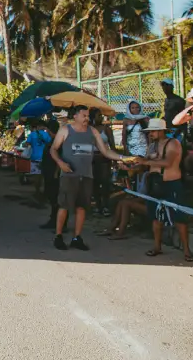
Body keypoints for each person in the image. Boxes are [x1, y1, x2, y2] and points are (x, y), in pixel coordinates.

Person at [49, 105, 137, 251]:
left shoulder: (92, 131)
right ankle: (58, 236)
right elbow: (53, 149)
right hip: (69, 174)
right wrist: (60, 163)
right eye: (83, 115)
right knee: (64, 205)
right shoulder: (65, 130)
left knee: (82, 207)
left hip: (86, 175)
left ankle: (77, 237)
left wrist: (124, 158)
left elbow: (105, 151)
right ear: (75, 116)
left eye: (88, 115)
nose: (87, 118)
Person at [135, 118, 193, 261]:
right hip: (155, 185)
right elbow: (146, 165)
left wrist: (144, 161)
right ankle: (157, 246)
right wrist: (131, 165)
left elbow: (168, 162)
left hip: (171, 184)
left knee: (179, 218)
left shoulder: (173, 143)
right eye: (149, 131)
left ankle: (187, 250)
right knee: (155, 218)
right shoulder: (151, 147)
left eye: (154, 131)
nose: (151, 134)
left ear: (162, 131)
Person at [39, 120, 66, 231]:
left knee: (56, 199)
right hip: (48, 172)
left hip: (54, 173)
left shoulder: (59, 142)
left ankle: (61, 223)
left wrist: (56, 172)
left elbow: (61, 158)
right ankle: (53, 220)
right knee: (51, 197)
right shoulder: (51, 141)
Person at [90, 108, 116, 217]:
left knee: (105, 182)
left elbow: (112, 145)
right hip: (91, 158)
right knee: (94, 183)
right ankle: (98, 205)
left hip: (104, 158)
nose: (101, 117)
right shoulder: (88, 129)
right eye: (98, 115)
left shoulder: (106, 129)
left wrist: (114, 159)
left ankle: (106, 206)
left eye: (101, 115)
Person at [24, 119, 52, 200]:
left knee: (36, 175)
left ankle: (37, 191)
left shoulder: (32, 134)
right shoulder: (46, 135)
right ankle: (45, 192)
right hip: (45, 158)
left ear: (37, 126)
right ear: (42, 126)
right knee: (45, 175)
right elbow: (50, 144)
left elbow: (26, 144)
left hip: (34, 158)